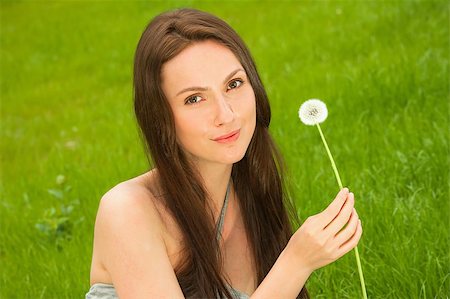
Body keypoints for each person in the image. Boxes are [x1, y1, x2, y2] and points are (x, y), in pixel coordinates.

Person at [86, 7, 362, 299]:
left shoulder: (251, 191)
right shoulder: (128, 212)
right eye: (194, 99)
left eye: (233, 84)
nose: (226, 114)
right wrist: (296, 263)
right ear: (160, 117)